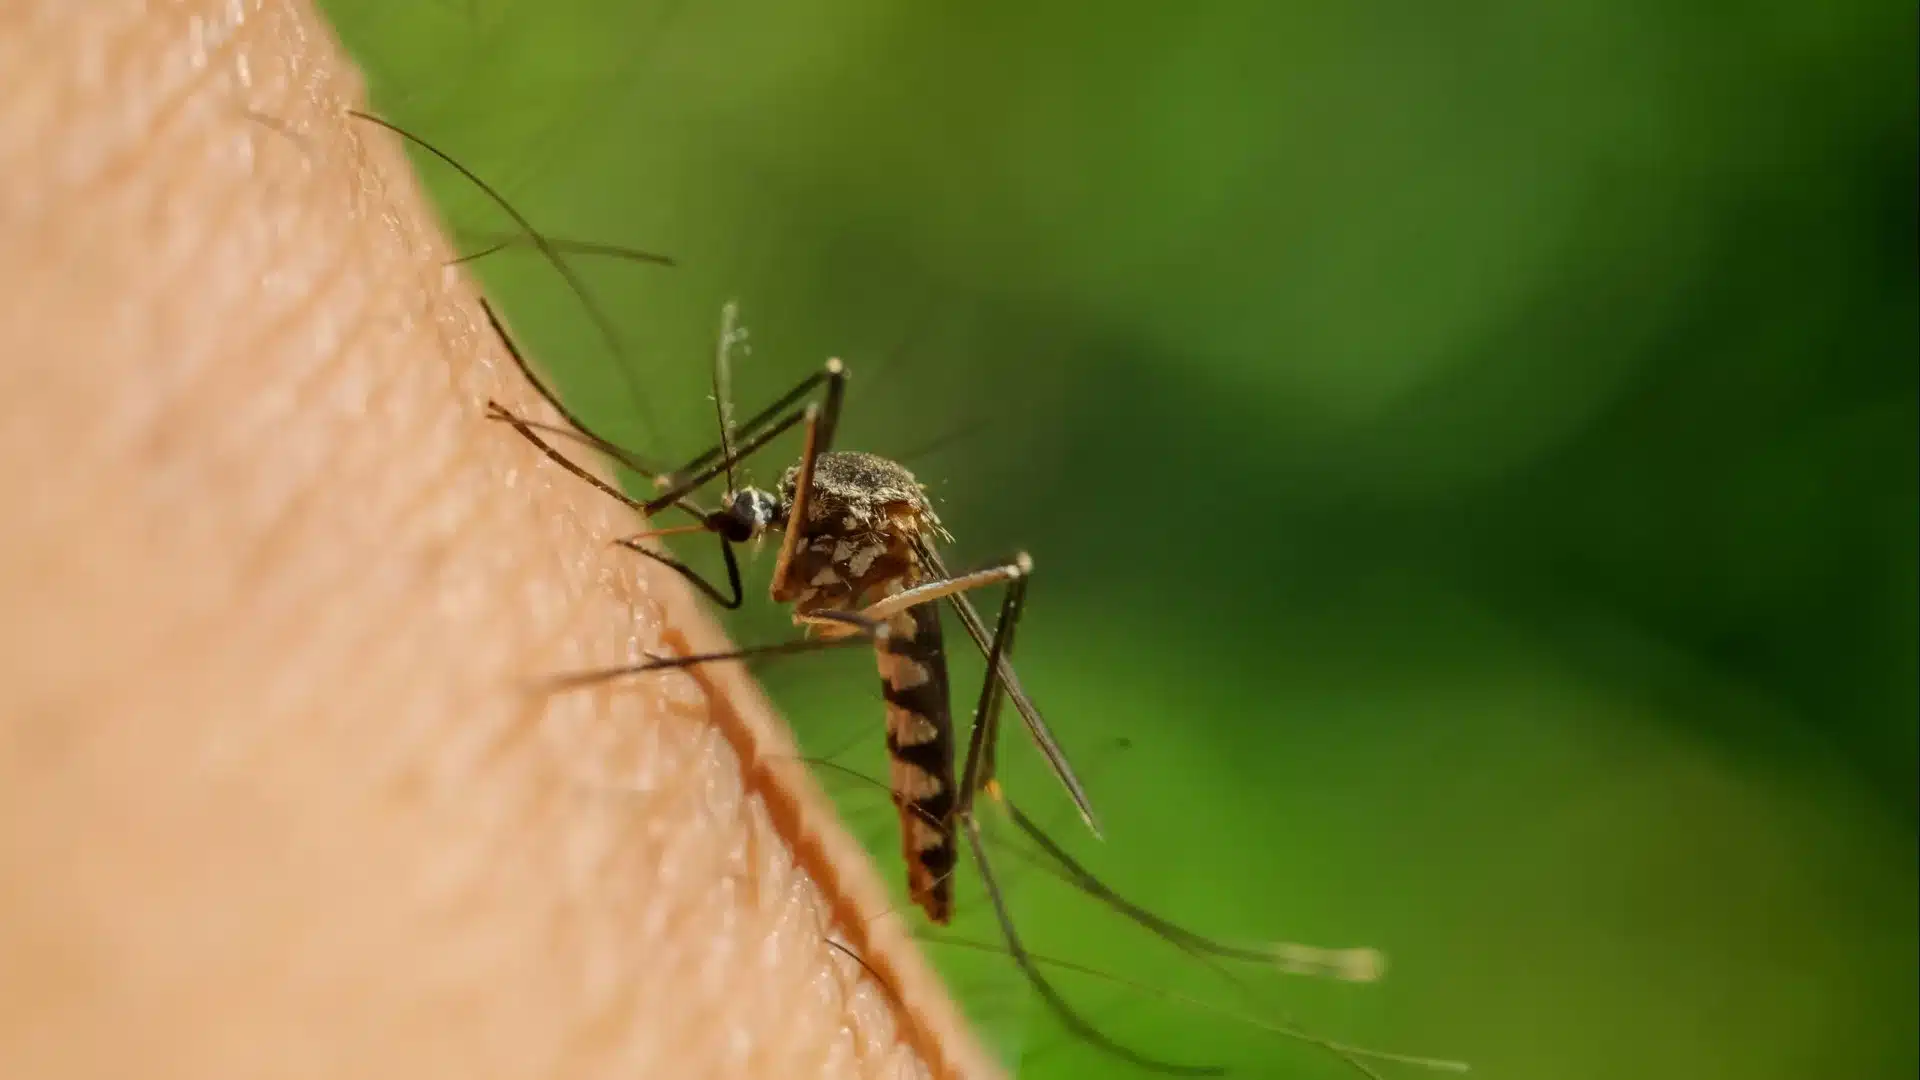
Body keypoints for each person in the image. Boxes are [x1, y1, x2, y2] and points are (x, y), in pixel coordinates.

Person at [0, 4, 993, 1077]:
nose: (745, 528)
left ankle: (963, 805)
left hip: (911, 651)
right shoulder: (798, 500)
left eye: (745, 516)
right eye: (749, 512)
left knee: (921, 560)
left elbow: (889, 569)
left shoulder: (843, 536)